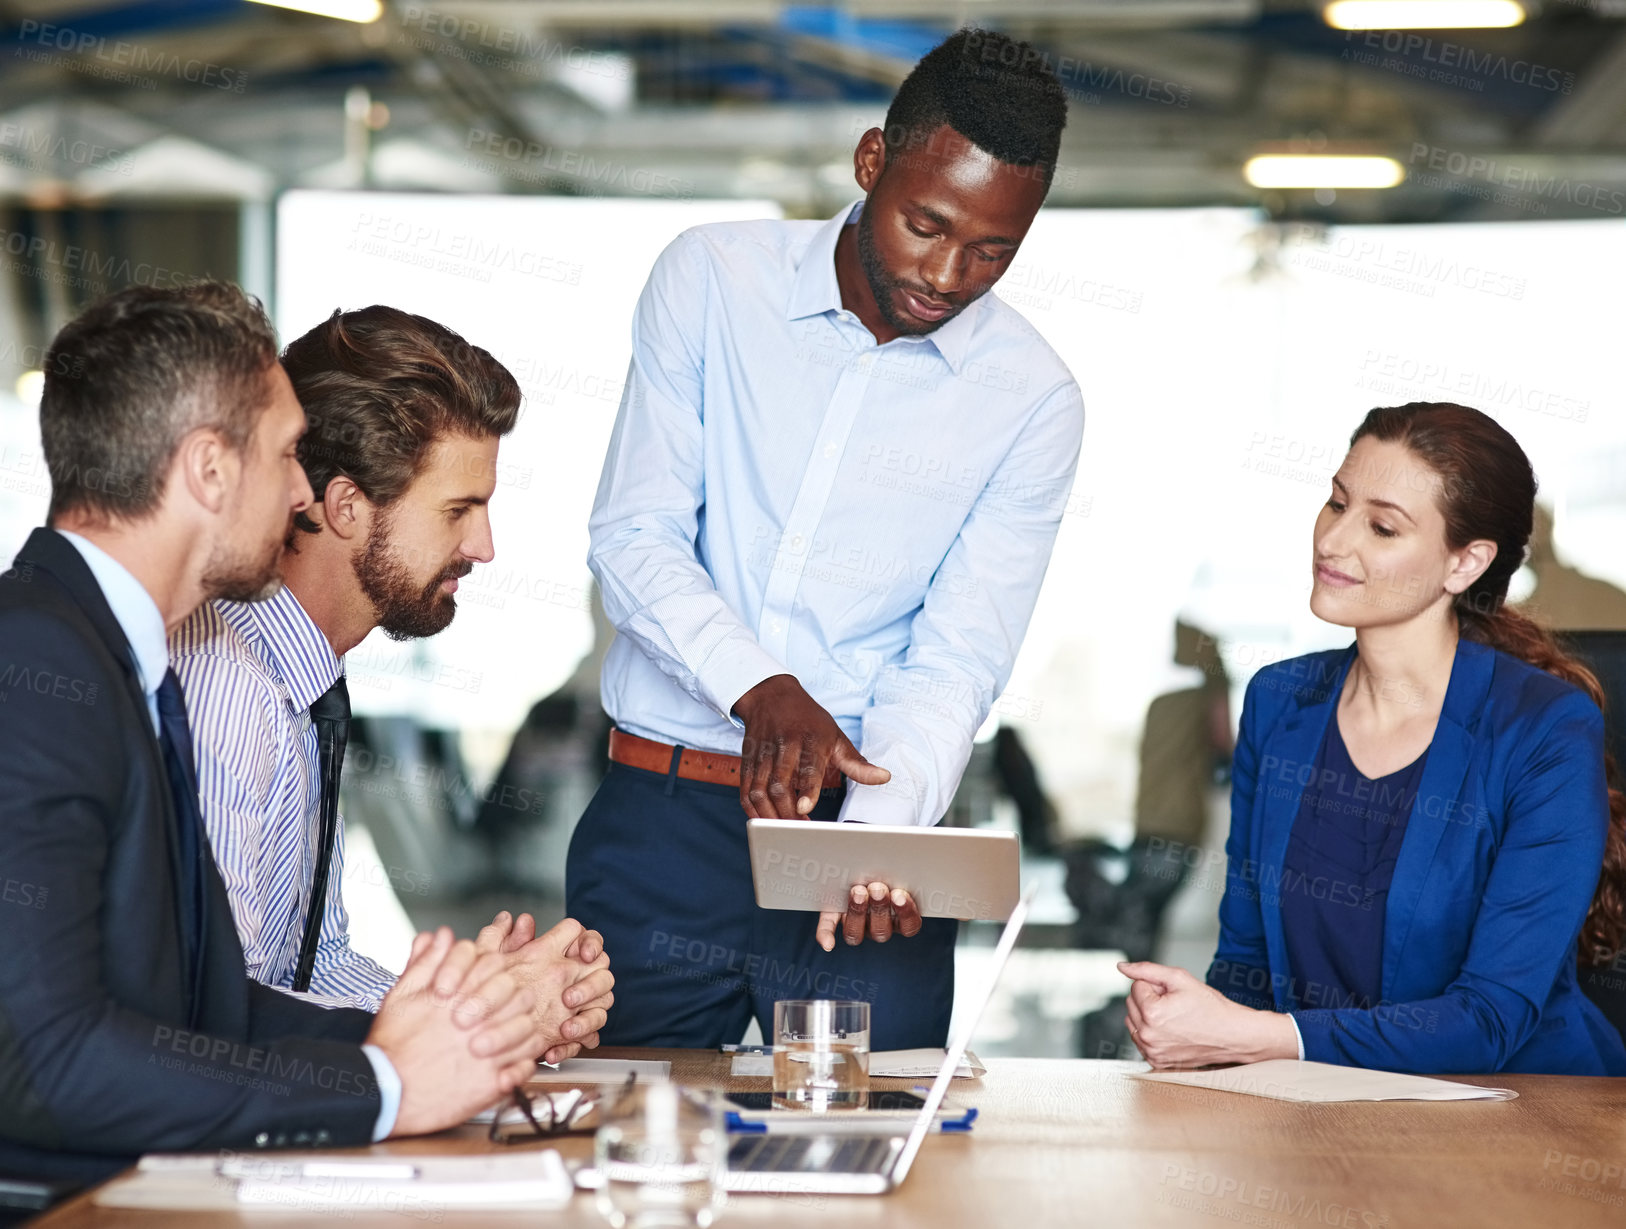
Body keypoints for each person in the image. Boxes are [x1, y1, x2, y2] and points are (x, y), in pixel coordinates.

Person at [569, 27, 1083, 1050]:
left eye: (993, 250)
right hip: (663, 816)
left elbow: (956, 660)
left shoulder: (1033, 399)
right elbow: (634, 536)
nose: (949, 273)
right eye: (926, 225)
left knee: (876, 1158)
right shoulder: (713, 279)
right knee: (627, 1141)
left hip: (870, 839)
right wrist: (761, 688)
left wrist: (876, 844)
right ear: (869, 162)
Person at [0, 283, 549, 1186]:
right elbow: (45, 1057)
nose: (304, 489)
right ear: (211, 472)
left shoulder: (110, 656)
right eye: (288, 453)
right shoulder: (41, 662)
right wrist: (383, 1085)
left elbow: (208, 1010)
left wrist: (463, 1035)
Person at [1119, 402, 1626, 1076]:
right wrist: (1197, 1027)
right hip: (1323, 1110)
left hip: (1519, 1123)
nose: (1333, 541)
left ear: (1465, 563)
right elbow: (1246, 962)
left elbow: (1490, 1019)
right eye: (1336, 503)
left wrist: (1265, 1037)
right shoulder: (1279, 701)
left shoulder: (1543, 727)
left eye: (1382, 527)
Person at [169, 306, 614, 1062]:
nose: (484, 545)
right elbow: (216, 1009)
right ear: (346, 507)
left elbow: (314, 967)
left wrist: (491, 1006)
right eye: (457, 511)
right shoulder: (229, 689)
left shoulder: (307, 679)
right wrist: (473, 1028)